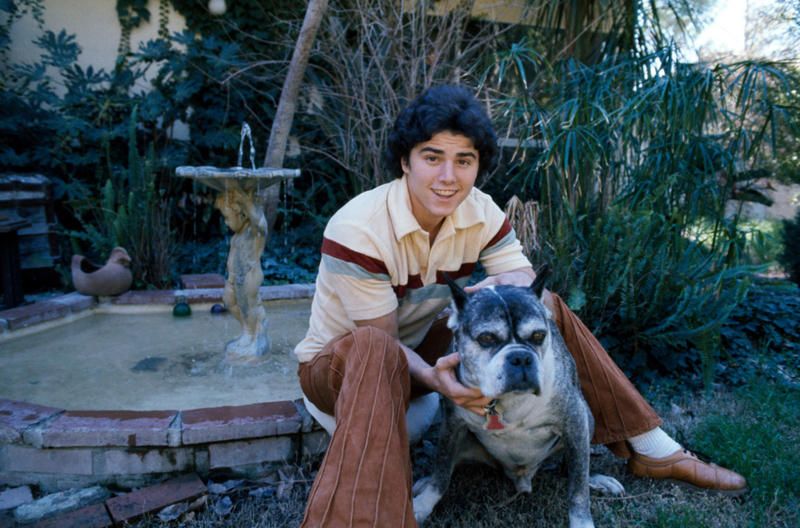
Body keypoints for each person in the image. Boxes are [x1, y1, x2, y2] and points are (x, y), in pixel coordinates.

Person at [293, 85, 747, 527]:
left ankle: (652, 446)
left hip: (417, 355)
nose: (448, 176)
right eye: (432, 157)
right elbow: (385, 345)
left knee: (543, 309)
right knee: (373, 347)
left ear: (478, 168)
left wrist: (508, 287)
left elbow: (530, 288)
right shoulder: (359, 228)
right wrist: (435, 379)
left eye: (464, 161)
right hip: (344, 371)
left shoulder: (479, 210)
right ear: (404, 161)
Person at [215, 187, 269, 357]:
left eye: (227, 218)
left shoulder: (254, 232)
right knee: (229, 300)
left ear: (243, 215)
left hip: (249, 275)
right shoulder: (237, 234)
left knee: (247, 305)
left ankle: (250, 333)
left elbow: (261, 224)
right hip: (234, 277)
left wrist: (247, 202)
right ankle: (248, 328)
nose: (225, 222)